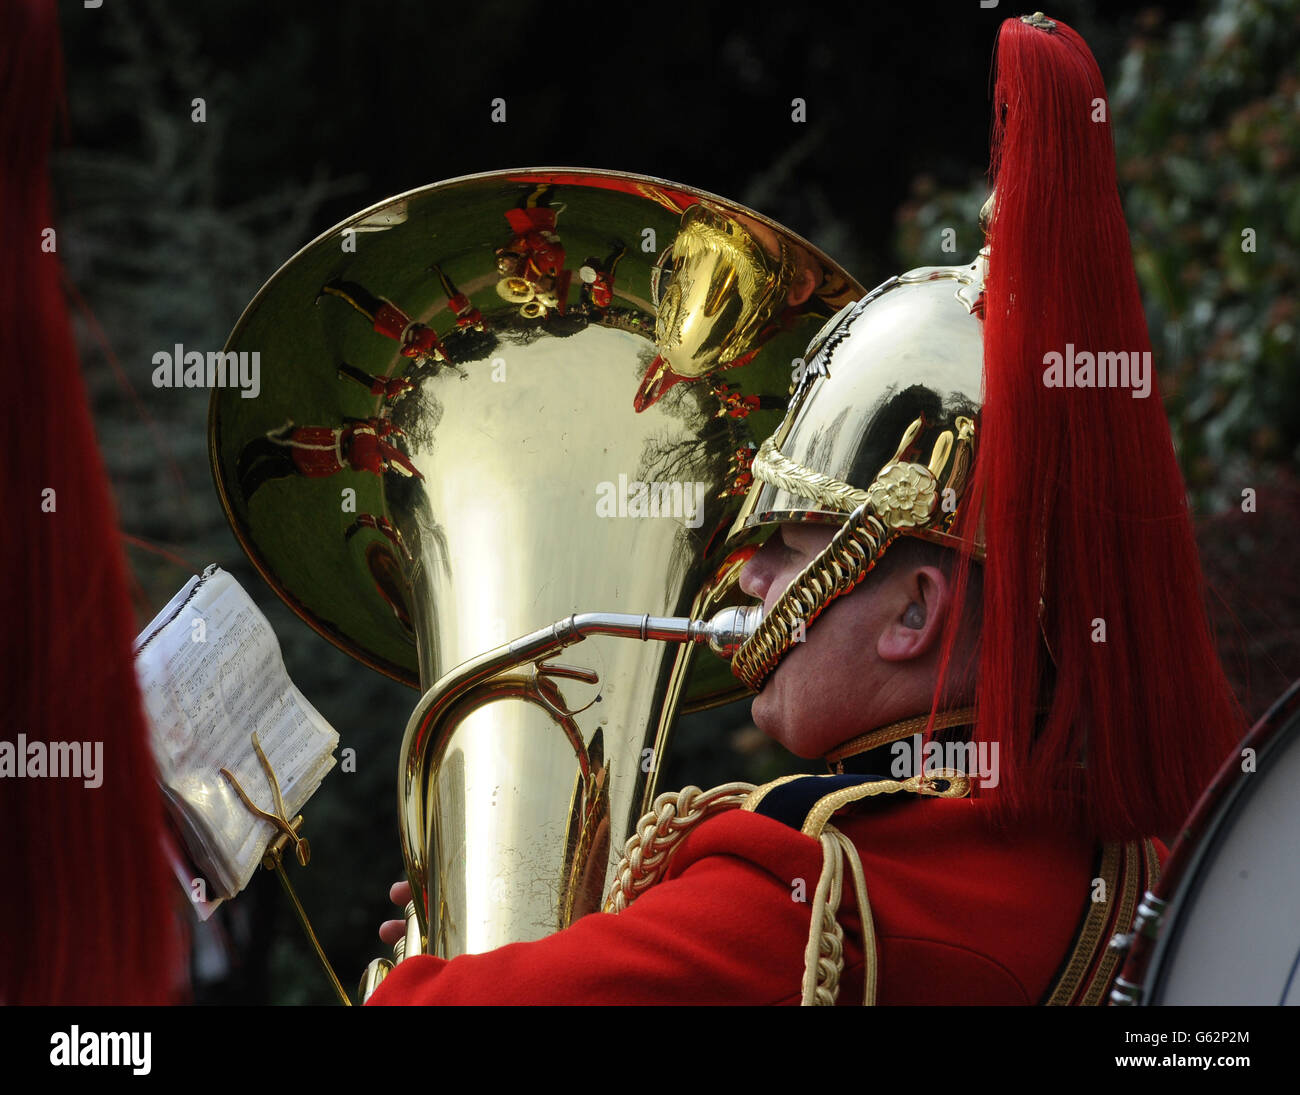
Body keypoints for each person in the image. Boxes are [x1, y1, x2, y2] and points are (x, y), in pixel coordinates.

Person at [364, 13, 1243, 1006]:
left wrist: (432, 975)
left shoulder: (815, 887)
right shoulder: (1137, 862)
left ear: (915, 612)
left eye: (787, 539)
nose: (744, 574)